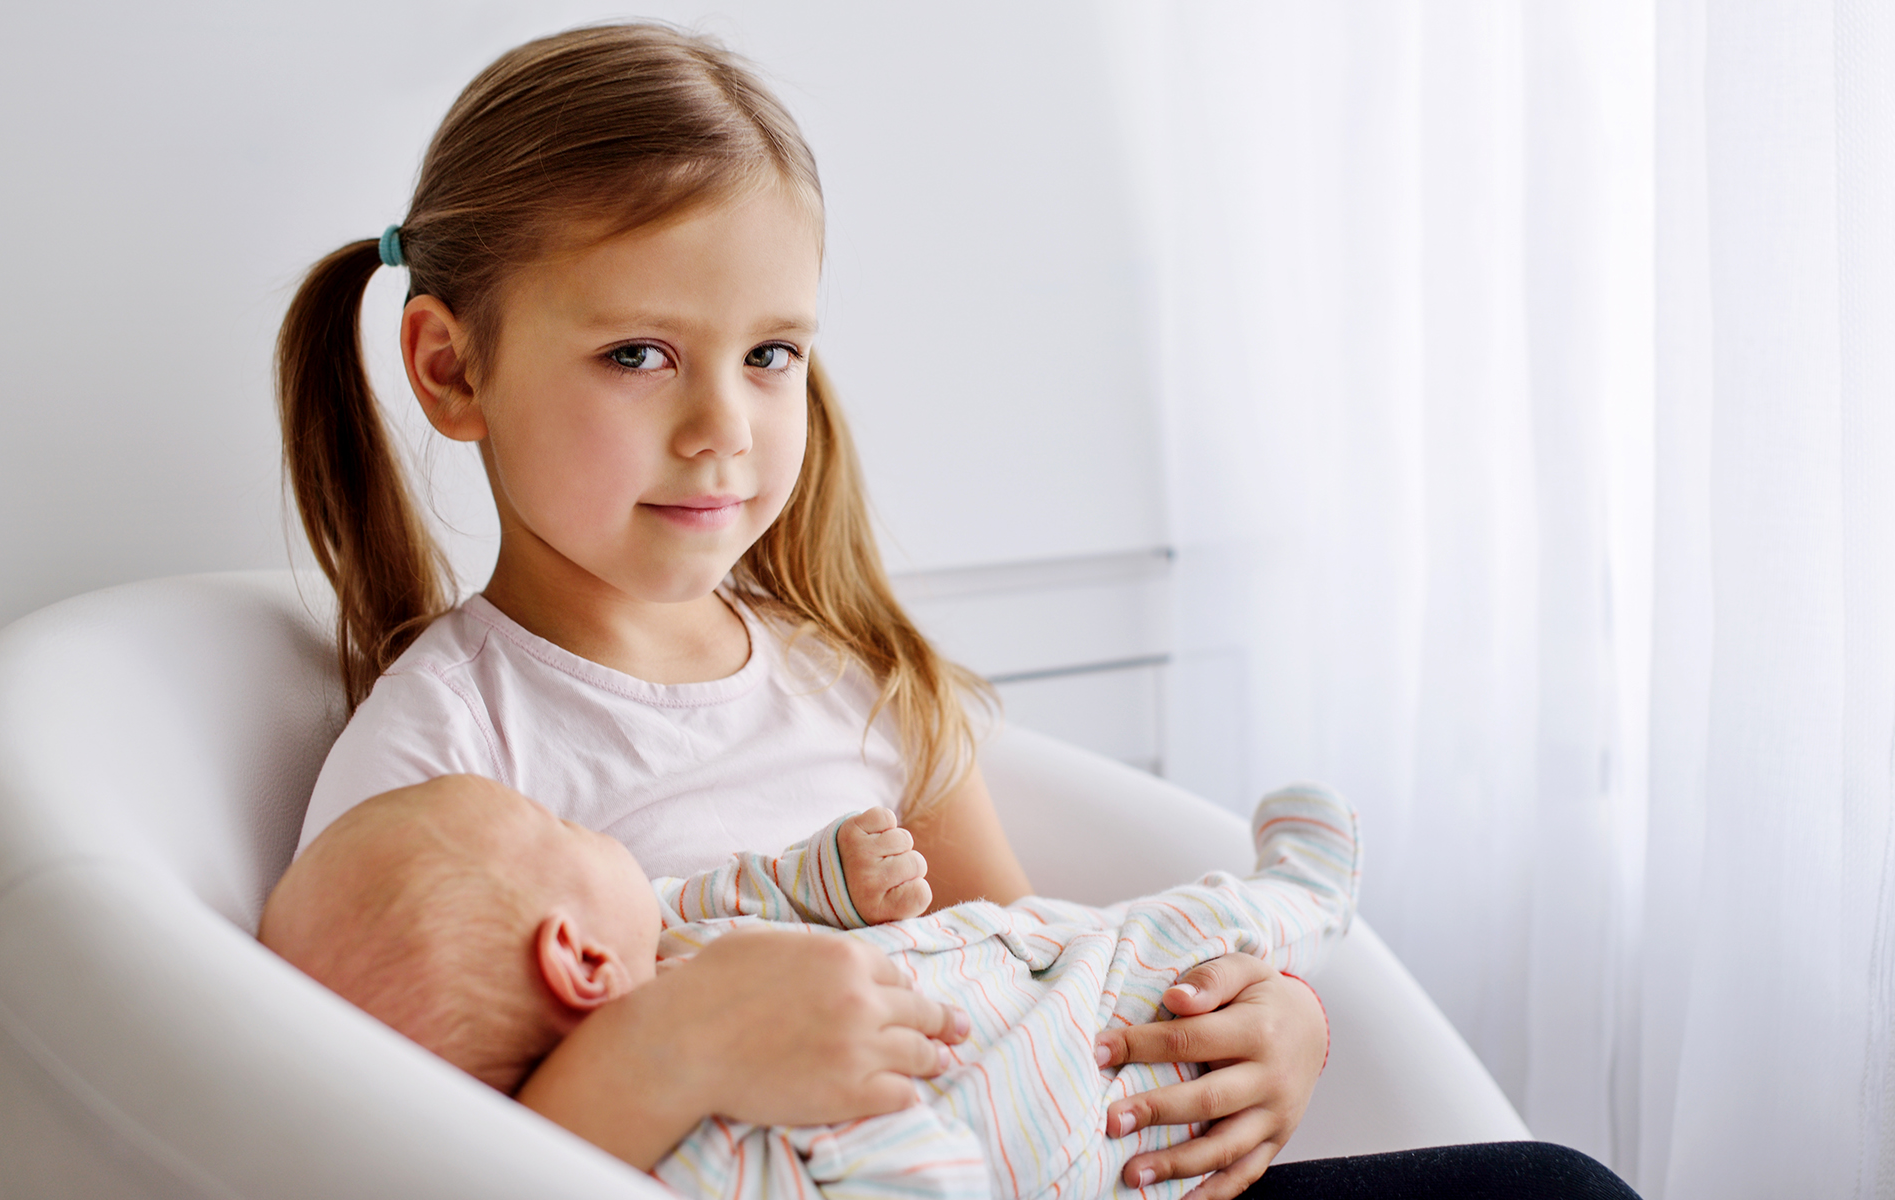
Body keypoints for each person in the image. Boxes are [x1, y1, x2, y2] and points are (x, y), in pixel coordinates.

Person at [260, 21, 1639, 1200]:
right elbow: (409, 1166)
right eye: (638, 354)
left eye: (771, 355)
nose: (721, 429)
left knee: (1556, 1189)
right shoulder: (439, 764)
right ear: (450, 368)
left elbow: (1040, 975)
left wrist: (1270, 1033)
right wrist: (670, 1048)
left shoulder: (858, 683)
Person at [268, 774, 1361, 1200]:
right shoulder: (730, 1144)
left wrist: (824, 876)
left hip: (1032, 970)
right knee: (1167, 939)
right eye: (564, 828)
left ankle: (1290, 914)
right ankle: (1304, 892)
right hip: (1088, 1112)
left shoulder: (666, 939)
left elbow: (733, 894)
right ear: (580, 960)